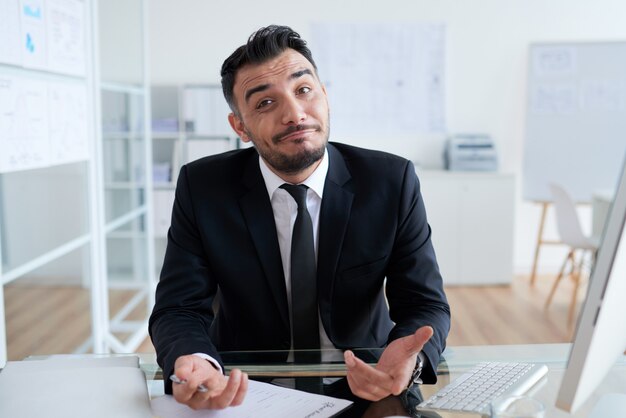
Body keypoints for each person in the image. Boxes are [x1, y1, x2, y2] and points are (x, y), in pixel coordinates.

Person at [149, 24, 450, 412]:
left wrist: (408, 361)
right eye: (265, 103)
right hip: (243, 389)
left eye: (303, 90)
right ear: (239, 125)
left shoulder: (390, 181)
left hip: (370, 382)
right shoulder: (203, 186)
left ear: (324, 95)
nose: (295, 114)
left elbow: (425, 304)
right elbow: (179, 307)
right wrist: (196, 360)